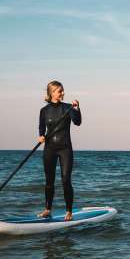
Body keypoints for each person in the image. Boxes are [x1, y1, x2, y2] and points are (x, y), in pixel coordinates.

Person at [37, 80, 82, 221]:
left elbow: (78, 122)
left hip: (65, 149)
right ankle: (47, 210)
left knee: (65, 180)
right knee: (49, 181)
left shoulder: (68, 108)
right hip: (49, 149)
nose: (62, 93)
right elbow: (41, 128)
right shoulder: (44, 111)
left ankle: (69, 211)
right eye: (59, 91)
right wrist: (41, 136)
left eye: (63, 90)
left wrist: (77, 109)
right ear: (52, 93)